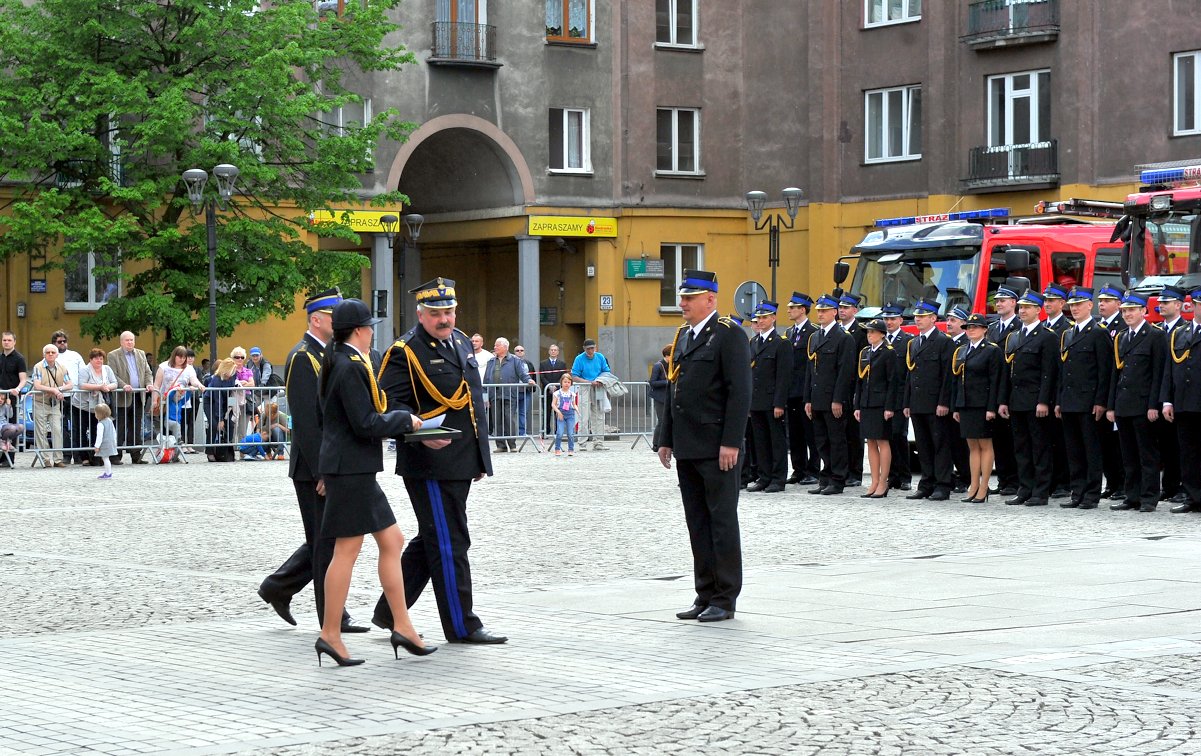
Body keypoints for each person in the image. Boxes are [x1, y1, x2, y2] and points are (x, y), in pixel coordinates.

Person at [372, 277, 506, 645]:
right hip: (429, 462)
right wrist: (418, 433)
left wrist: (480, 458)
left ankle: (389, 612)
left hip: (460, 458)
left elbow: (472, 403)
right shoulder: (405, 351)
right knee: (450, 542)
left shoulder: (460, 341)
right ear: (421, 314)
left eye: (448, 311)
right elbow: (388, 404)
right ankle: (462, 625)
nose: (444, 319)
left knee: (434, 537)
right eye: (435, 313)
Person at [314, 298, 431, 667]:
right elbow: (364, 422)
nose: (371, 334)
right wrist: (404, 420)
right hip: (350, 468)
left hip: (354, 468)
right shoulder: (349, 366)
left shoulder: (343, 359)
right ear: (358, 331)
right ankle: (330, 634)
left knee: (392, 541)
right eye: (369, 328)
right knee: (346, 550)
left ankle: (402, 625)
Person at [257, 289, 368, 633]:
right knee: (326, 543)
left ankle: (278, 587)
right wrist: (323, 471)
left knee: (326, 539)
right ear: (316, 320)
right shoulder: (303, 357)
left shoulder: (330, 352)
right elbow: (306, 421)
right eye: (334, 317)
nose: (340, 322)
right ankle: (332, 616)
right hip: (313, 467)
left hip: (331, 462)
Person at [656, 269, 751, 623]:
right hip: (688, 445)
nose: (682, 303)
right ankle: (705, 593)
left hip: (716, 446)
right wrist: (665, 438)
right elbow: (674, 390)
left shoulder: (729, 335)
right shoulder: (683, 336)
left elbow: (740, 392)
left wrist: (731, 442)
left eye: (689, 298)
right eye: (682, 298)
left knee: (721, 522)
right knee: (697, 522)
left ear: (710, 299)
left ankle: (725, 597)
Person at [998, 289, 1059, 507]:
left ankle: (1040, 491)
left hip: (1035, 401)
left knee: (1040, 447)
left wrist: (1043, 401)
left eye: (1027, 307)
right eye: (1021, 307)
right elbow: (1008, 371)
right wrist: (1003, 400)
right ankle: (1024, 488)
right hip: (1017, 400)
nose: (1022, 311)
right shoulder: (1015, 336)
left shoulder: (1047, 336)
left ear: (1037, 310)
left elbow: (1048, 372)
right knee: (1021, 447)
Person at [1107, 291, 1166, 513]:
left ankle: (1149, 497)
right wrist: (1111, 405)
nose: (1127, 314)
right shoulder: (1122, 337)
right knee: (1128, 454)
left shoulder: (1155, 335)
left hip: (1143, 404)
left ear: (1143, 311)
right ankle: (1132, 496)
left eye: (1132, 310)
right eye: (1124, 311)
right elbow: (1116, 374)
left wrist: (1153, 405)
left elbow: (1158, 373)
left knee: (1147, 453)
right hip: (1124, 404)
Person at [1055, 287, 1111, 510]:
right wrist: (1059, 400)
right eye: (1072, 305)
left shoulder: (1098, 332)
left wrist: (1101, 401)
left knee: (1091, 450)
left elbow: (1104, 370)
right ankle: (1077, 491)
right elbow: (1063, 371)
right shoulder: (1068, 333)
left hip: (1088, 402)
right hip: (1069, 400)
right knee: (1074, 450)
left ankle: (1091, 494)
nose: (1075, 308)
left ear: (1090, 305)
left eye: (1079, 304)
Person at [902, 297, 955, 501]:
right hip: (918, 402)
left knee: (940, 444)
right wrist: (907, 402)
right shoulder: (914, 342)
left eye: (922, 316)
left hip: (935, 403)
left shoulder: (943, 341)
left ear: (933, 318)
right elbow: (910, 374)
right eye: (917, 316)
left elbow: (947, 376)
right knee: (923, 445)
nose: (918, 319)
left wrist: (944, 402)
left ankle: (943, 484)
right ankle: (926, 483)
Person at [804, 294, 856, 495]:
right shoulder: (815, 337)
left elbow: (845, 372)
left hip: (833, 398)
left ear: (834, 312)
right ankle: (825, 477)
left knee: (837, 440)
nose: (820, 314)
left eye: (824, 311)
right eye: (819, 311)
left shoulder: (844, 338)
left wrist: (838, 399)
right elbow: (810, 370)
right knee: (821, 440)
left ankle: (838, 478)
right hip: (817, 397)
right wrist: (807, 399)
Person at [951, 314, 1002, 504]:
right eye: (968, 327)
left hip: (982, 404)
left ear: (985, 329)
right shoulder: (962, 350)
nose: (970, 330)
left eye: (975, 327)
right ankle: (974, 485)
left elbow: (995, 381)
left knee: (985, 445)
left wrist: (992, 407)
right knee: (972, 446)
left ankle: (984, 486)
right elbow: (957, 380)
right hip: (966, 404)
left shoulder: (991, 350)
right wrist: (956, 406)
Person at [1161, 285, 1201, 514]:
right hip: (1184, 402)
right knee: (1188, 452)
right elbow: (1170, 369)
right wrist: (1167, 401)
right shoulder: (1180, 333)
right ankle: (1192, 496)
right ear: (1193, 306)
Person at [746, 301, 792, 493]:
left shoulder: (781, 343)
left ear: (773, 318)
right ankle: (764, 477)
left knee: (776, 441)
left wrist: (779, 403)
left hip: (772, 401)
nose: (761, 321)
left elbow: (783, 376)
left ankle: (778, 478)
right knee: (761, 442)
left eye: (765, 317)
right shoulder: (753, 342)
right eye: (759, 318)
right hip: (756, 401)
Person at [854, 320, 901, 498]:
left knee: (882, 441)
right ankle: (874, 481)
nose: (870, 335)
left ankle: (883, 481)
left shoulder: (888, 352)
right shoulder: (865, 352)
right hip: (866, 402)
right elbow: (860, 381)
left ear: (882, 334)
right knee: (871, 442)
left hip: (881, 403)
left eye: (873, 332)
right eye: (868, 332)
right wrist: (857, 405)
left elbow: (892, 381)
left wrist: (889, 407)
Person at [1153, 286, 1188, 504]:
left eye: (1166, 303)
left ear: (1178, 305)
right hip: (1158, 394)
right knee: (1164, 444)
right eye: (1160, 303)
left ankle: (1184, 486)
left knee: (1181, 445)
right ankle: (1169, 486)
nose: (1161, 306)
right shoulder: (1156, 330)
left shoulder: (1185, 329)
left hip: (1179, 396)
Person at [986, 286, 1021, 496]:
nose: (998, 304)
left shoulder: (1020, 326)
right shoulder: (991, 328)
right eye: (997, 300)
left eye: (1003, 300)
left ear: (1014, 303)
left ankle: (1015, 480)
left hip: (1012, 386)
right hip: (993, 387)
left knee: (1012, 438)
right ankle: (1003, 478)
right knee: (998, 437)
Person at [784, 292, 819, 485]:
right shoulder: (789, 333)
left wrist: (810, 394)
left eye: (792, 307)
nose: (789, 310)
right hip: (791, 389)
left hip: (805, 389)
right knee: (795, 432)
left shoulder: (813, 332)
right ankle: (798, 469)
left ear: (803, 310)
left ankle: (813, 470)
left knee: (810, 433)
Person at [1095, 285, 1127, 500]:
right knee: (1105, 443)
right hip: (1101, 392)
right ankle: (1112, 483)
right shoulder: (1099, 326)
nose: (1102, 304)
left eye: (1107, 301)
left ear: (1118, 304)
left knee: (1118, 444)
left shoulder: (1123, 326)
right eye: (1100, 301)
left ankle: (1122, 484)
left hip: (1117, 392)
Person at [106, 331, 154, 464]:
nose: (130, 342)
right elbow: (112, 375)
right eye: (127, 340)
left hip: (138, 395)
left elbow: (147, 372)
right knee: (120, 427)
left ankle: (136, 455)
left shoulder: (141, 354)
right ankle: (116, 456)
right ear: (121, 342)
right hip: (122, 396)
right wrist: (123, 385)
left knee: (136, 427)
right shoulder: (113, 355)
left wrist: (149, 384)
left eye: (132, 340)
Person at [881, 302, 913, 491]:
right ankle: (891, 476)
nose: (889, 322)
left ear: (901, 320)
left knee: (899, 436)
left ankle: (905, 476)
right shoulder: (880, 340)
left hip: (900, 396)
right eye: (886, 319)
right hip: (883, 396)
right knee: (886, 437)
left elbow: (909, 372)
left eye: (892, 319)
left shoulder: (907, 341)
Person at [838, 293, 868, 486]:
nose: (842, 310)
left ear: (855, 310)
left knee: (854, 433)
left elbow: (862, 364)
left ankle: (855, 472)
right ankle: (842, 469)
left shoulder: (861, 333)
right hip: (839, 387)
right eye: (840, 307)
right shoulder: (837, 331)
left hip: (854, 387)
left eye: (846, 308)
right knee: (839, 432)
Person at [943, 305, 972, 492]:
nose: (948, 323)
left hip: (961, 400)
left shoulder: (965, 344)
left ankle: (966, 476)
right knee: (950, 442)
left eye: (953, 320)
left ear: (963, 323)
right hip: (947, 399)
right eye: (948, 320)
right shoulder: (947, 343)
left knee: (961, 443)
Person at [31, 343, 75, 467]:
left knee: (57, 430)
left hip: (55, 404)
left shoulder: (62, 367)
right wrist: (54, 390)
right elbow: (37, 385)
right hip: (40, 402)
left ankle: (58, 459)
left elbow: (70, 384)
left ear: (57, 355)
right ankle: (45, 459)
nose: (50, 354)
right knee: (41, 432)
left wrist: (58, 389)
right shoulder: (38, 367)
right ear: (43, 354)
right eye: (48, 352)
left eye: (53, 352)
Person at [486, 337, 530, 452]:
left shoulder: (515, 360)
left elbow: (523, 374)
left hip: (509, 394)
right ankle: (501, 446)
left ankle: (512, 445)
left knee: (509, 419)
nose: (495, 347)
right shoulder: (491, 361)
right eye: (495, 345)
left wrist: (529, 380)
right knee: (497, 420)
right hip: (494, 394)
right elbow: (486, 379)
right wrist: (486, 396)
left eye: (497, 345)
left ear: (505, 347)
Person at [50, 331, 87, 464]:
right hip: (58, 396)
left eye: (64, 341)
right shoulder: (51, 357)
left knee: (77, 425)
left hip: (75, 395)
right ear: (54, 343)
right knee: (62, 426)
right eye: (59, 342)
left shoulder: (75, 355)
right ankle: (66, 454)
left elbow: (83, 372)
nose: (62, 344)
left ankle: (78, 455)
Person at [77, 348, 119, 466]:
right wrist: (99, 387)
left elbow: (115, 383)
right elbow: (81, 385)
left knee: (99, 430)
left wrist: (107, 387)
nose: (99, 360)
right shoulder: (85, 370)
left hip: (101, 405)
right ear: (90, 359)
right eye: (96, 358)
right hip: (84, 405)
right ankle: (86, 457)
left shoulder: (107, 369)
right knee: (84, 430)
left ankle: (99, 457)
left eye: (101, 358)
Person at [571, 338, 613, 450]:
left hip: (598, 387)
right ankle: (582, 443)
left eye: (592, 348)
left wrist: (600, 380)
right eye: (588, 349)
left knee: (599, 415)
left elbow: (606, 371)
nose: (590, 351)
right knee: (583, 416)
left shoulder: (600, 357)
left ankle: (598, 442)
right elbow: (574, 376)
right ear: (584, 349)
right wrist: (589, 382)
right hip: (585, 388)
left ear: (595, 348)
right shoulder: (579, 359)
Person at [1, 332, 29, 468]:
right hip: (0, 397)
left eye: (9, 340)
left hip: (12, 399)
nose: (6, 342)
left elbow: (24, 379)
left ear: (14, 342)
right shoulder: (0, 357)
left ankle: (9, 458)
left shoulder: (19, 358)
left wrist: (17, 389)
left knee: (11, 427)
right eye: (4, 340)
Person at [203, 358, 238, 462]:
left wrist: (231, 407)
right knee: (214, 425)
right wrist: (220, 419)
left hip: (225, 402)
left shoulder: (233, 376)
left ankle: (226, 450)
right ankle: (209, 451)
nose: (232, 373)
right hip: (211, 402)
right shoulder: (217, 379)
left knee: (230, 423)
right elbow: (217, 399)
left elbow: (231, 392)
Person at [539, 344, 569, 436]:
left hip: (558, 391)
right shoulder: (543, 363)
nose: (553, 351)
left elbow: (563, 376)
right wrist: (549, 386)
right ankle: (546, 431)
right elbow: (542, 376)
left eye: (555, 350)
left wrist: (556, 386)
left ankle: (558, 431)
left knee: (558, 411)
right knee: (546, 412)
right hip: (547, 391)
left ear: (558, 352)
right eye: (551, 350)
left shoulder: (562, 364)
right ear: (549, 351)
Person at [229, 347, 257, 442]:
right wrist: (244, 383)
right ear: (233, 358)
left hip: (246, 398)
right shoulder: (230, 371)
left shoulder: (248, 371)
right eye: (237, 357)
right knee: (233, 423)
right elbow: (231, 383)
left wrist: (240, 384)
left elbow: (252, 384)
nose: (240, 359)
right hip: (232, 398)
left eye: (242, 357)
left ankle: (242, 446)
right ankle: (232, 446)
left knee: (243, 426)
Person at [648, 345, 671, 445]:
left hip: (667, 396)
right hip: (660, 398)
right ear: (667, 355)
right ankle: (656, 444)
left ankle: (665, 443)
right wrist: (667, 382)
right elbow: (652, 382)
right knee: (662, 421)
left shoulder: (671, 365)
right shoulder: (658, 365)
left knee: (668, 421)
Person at [512, 345, 537, 437]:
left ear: (524, 352)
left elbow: (533, 376)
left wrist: (533, 388)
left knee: (523, 413)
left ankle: (522, 433)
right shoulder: (510, 363)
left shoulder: (528, 363)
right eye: (517, 350)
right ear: (514, 352)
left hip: (526, 392)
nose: (519, 352)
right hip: (514, 392)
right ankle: (511, 433)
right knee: (511, 413)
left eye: (521, 350)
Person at [552, 373, 579, 456]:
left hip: (570, 415)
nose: (566, 384)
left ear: (571, 383)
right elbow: (553, 404)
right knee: (559, 432)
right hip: (561, 414)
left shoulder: (572, 394)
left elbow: (574, 404)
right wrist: (558, 412)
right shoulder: (557, 393)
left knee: (570, 433)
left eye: (568, 382)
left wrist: (577, 409)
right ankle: (557, 448)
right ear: (561, 382)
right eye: (565, 382)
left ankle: (571, 449)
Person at [92, 403, 117, 479]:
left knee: (105, 458)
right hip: (111, 442)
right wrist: (114, 441)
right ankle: (107, 472)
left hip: (104, 444)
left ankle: (108, 473)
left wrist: (97, 446)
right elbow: (114, 432)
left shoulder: (100, 424)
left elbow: (99, 437)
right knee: (106, 458)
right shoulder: (110, 421)